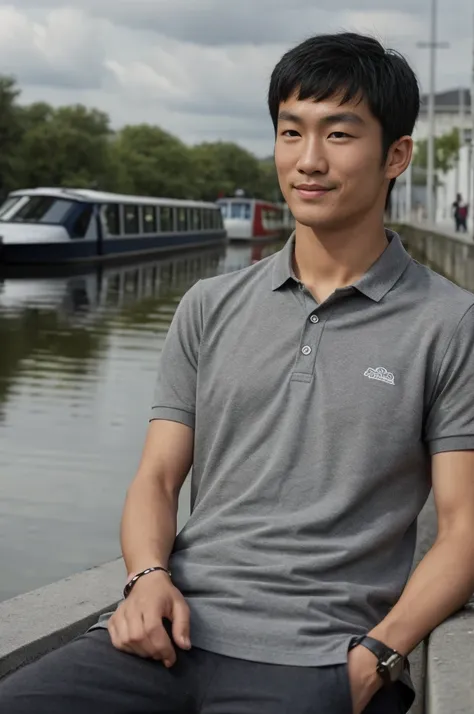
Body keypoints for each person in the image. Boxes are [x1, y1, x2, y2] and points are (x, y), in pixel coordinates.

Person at [2, 31, 474, 714]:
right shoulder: (209, 304)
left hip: (316, 658)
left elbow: (462, 530)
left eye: (339, 135)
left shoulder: (450, 323)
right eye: (291, 132)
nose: (308, 161)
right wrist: (145, 578)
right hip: (167, 634)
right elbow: (158, 479)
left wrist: (375, 660)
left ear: (395, 154)